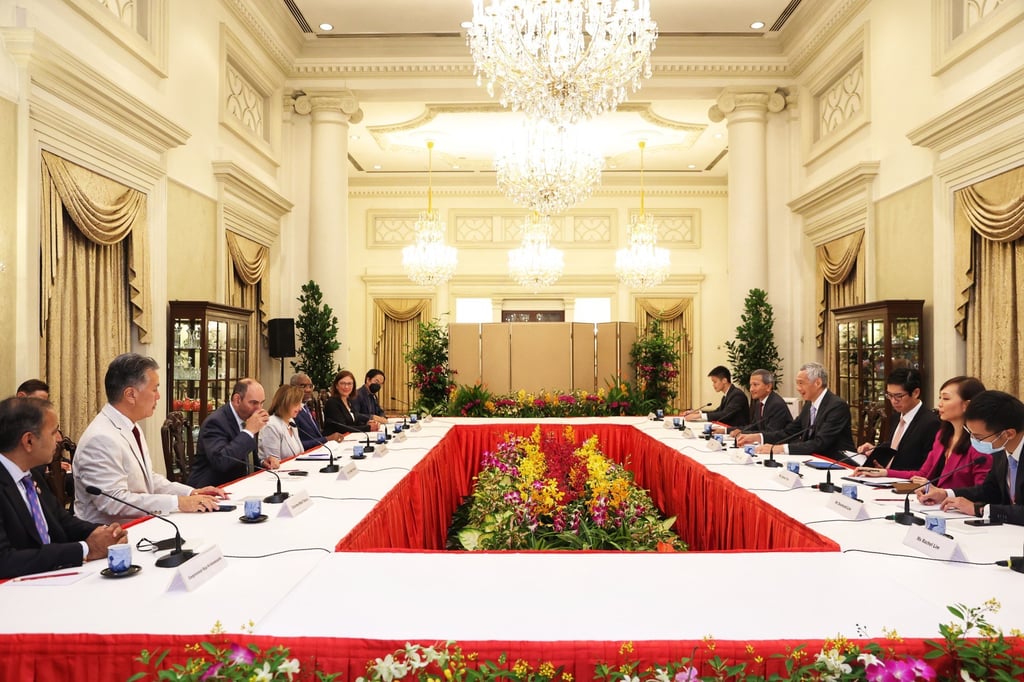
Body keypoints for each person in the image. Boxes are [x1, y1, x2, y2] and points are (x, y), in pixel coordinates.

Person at [74, 354, 225, 524]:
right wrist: (178, 503)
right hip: (112, 536)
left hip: (140, 524)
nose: (158, 396)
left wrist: (190, 493)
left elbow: (148, 479)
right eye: (154, 389)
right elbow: (113, 502)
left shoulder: (131, 425)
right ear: (131, 394)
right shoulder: (101, 438)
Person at [0, 396, 127, 579]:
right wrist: (85, 549)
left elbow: (62, 521)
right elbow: (5, 560)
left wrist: (102, 532)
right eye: (53, 433)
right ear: (28, 441)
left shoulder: (31, 474)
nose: (58, 440)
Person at [854, 376, 990, 488]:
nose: (940, 404)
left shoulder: (981, 444)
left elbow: (982, 491)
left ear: (966, 405)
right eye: (940, 398)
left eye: (946, 398)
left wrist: (939, 492)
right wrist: (883, 472)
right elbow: (923, 473)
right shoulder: (942, 436)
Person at [918, 390, 1024, 525]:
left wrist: (979, 509)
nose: (973, 440)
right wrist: (945, 494)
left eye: (979, 437)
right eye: (971, 433)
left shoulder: (1000, 446)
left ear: (1008, 434)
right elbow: (989, 491)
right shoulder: (1001, 449)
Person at [736, 362, 856, 462]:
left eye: (801, 383)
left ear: (817, 383)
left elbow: (820, 443)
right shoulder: (809, 404)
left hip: (837, 463)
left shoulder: (836, 406)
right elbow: (789, 431)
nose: (798, 388)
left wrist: (780, 449)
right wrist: (758, 437)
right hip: (812, 459)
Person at [188, 379, 273, 488]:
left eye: (262, 403)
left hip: (240, 484)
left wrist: (261, 463)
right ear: (237, 399)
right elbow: (221, 461)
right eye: (254, 403)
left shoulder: (247, 418)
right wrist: (249, 431)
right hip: (212, 489)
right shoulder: (215, 422)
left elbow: (243, 457)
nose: (259, 409)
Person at [856, 368, 941, 471]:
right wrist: (875, 451)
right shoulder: (896, 417)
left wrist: (889, 473)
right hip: (884, 477)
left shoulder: (930, 423)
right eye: (889, 395)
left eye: (898, 396)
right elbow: (894, 450)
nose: (893, 401)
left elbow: (927, 468)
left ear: (915, 393)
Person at [722, 369, 791, 436]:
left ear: (768, 387)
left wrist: (743, 433)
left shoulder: (776, 404)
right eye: (750, 385)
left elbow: (771, 433)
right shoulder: (759, 403)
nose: (751, 389)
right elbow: (753, 427)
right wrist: (726, 430)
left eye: (755, 385)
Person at [289, 373, 343, 449]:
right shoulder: (291, 411)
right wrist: (326, 439)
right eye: (303, 386)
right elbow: (296, 445)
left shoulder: (305, 407)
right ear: (292, 388)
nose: (308, 390)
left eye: (310, 386)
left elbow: (316, 436)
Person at [258, 385, 306, 462]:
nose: (300, 408)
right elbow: (274, 463)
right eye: (297, 404)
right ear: (286, 404)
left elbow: (300, 453)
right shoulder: (271, 425)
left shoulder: (290, 421)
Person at [323, 370, 374, 434]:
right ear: (336, 386)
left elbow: (355, 422)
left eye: (349, 384)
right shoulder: (332, 403)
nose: (346, 387)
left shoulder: (349, 401)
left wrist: (368, 423)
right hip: (335, 441)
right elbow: (342, 428)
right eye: (342, 383)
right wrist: (368, 428)